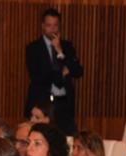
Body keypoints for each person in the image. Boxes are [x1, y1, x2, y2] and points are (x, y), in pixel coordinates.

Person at [24, 7, 83, 135]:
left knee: (67, 136)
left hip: (64, 102)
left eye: (55, 25)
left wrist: (60, 52)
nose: (52, 29)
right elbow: (38, 76)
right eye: (49, 25)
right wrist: (62, 71)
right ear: (43, 26)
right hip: (42, 102)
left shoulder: (66, 46)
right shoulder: (33, 48)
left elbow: (78, 71)